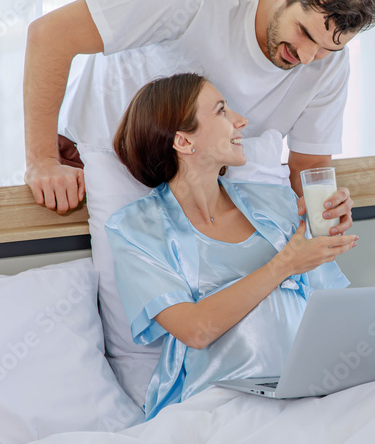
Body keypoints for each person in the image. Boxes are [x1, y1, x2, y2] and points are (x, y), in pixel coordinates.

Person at [23, 0, 375, 228]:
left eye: (327, 47)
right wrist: (43, 161)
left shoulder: (328, 63)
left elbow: (308, 165)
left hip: (199, 190)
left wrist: (325, 208)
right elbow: (51, 35)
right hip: (94, 165)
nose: (306, 57)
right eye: (304, 32)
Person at [106, 73, 358, 419]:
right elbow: (195, 330)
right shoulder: (136, 229)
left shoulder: (277, 203)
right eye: (222, 110)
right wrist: (285, 264)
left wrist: (328, 225)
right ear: (183, 141)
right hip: (218, 403)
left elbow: (332, 308)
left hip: (312, 391)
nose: (241, 121)